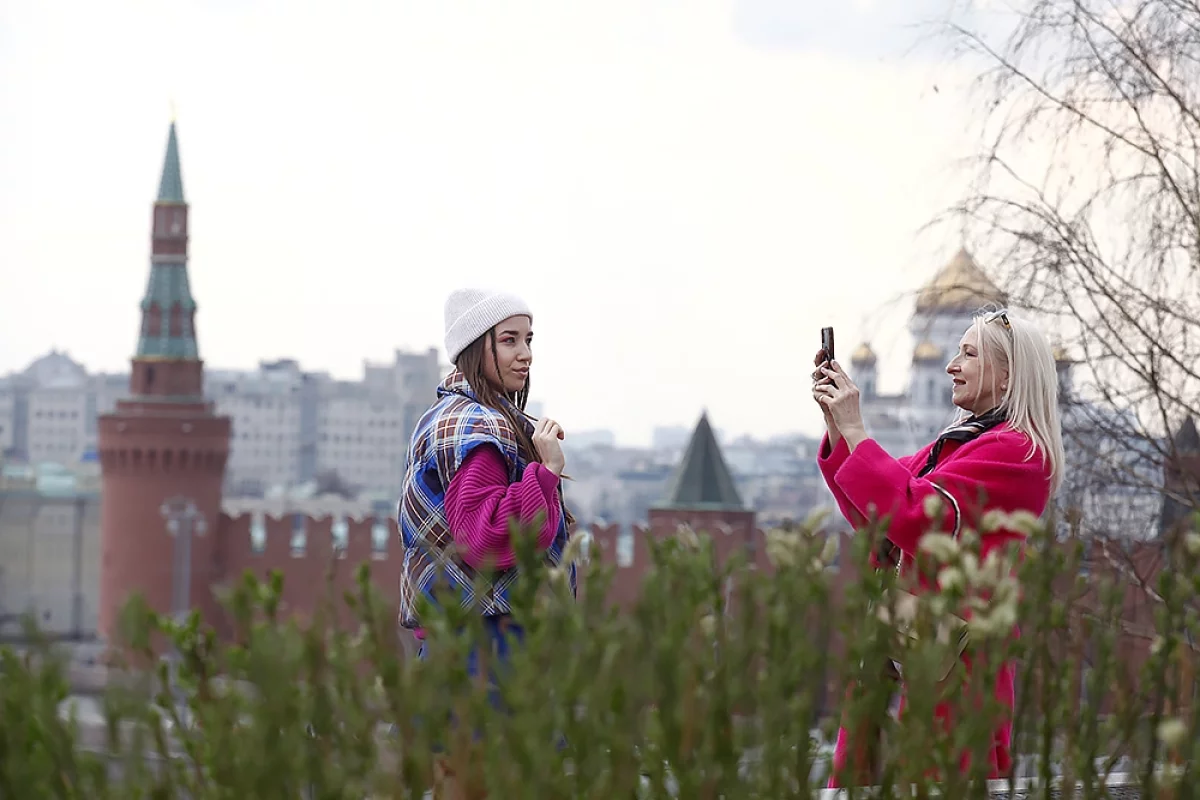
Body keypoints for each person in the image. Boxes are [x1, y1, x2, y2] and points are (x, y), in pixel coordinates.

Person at [812, 307, 1065, 788]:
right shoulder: (962, 443)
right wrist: (839, 427)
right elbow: (877, 515)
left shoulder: (1018, 451)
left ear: (1009, 373)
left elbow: (918, 517)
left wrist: (858, 430)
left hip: (957, 664)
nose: (952, 365)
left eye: (968, 354)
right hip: (914, 646)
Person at [398, 288, 575, 796]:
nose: (526, 353)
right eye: (509, 340)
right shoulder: (474, 425)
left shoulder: (458, 416)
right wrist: (545, 473)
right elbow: (489, 538)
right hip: (487, 652)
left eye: (529, 340)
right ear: (478, 347)